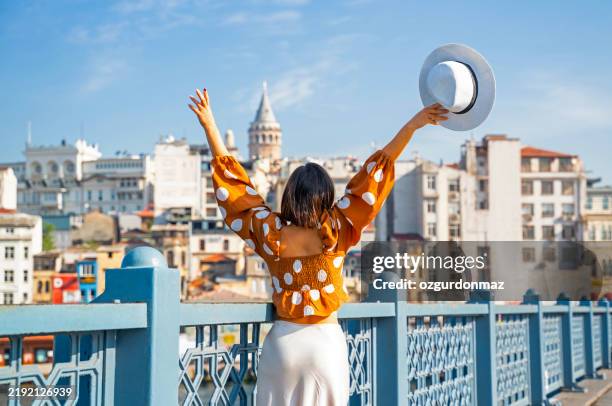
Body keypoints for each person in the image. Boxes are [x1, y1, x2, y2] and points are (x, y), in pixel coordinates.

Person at [188, 87, 448, 406]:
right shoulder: (338, 229)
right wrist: (412, 125)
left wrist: (210, 125)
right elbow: (376, 174)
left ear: (288, 195)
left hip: (283, 344)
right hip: (325, 343)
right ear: (326, 196)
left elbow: (236, 190)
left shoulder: (271, 233)